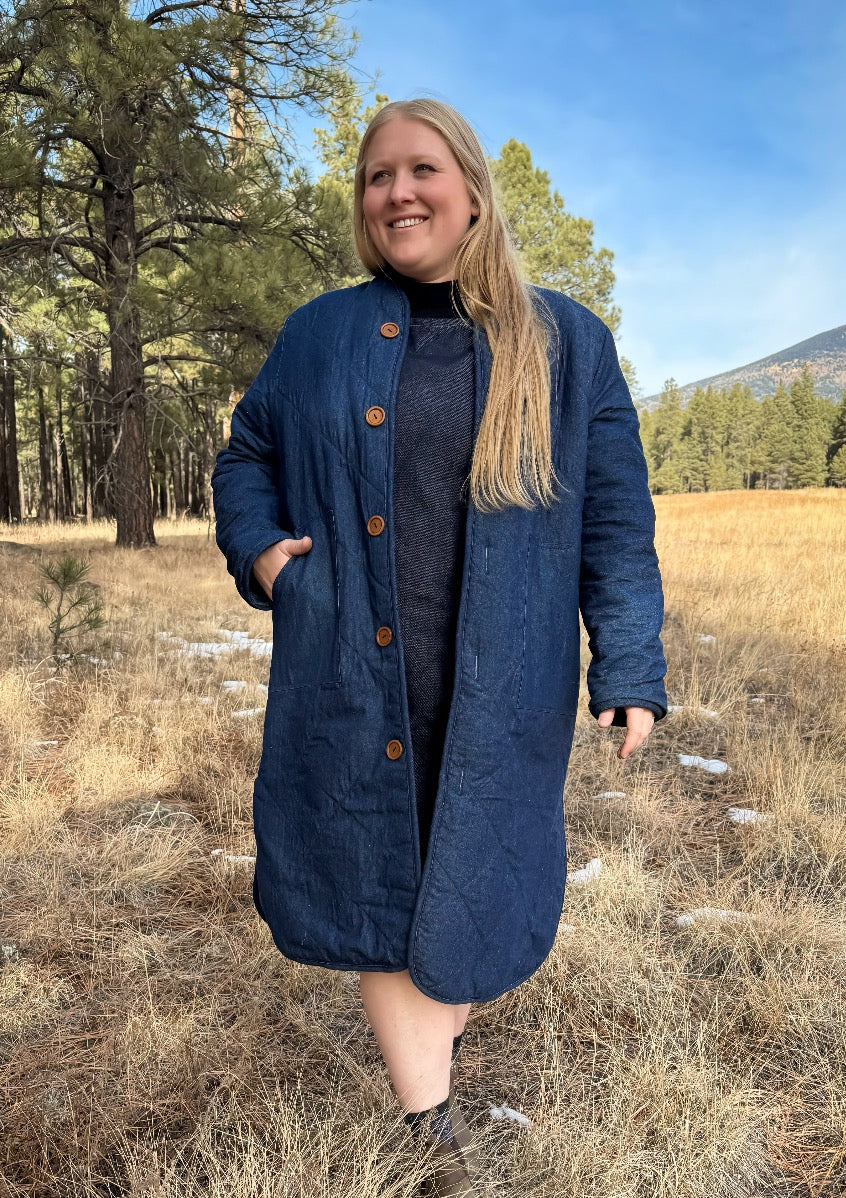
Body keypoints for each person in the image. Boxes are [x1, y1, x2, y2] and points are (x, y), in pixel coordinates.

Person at [211, 97, 668, 1197]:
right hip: (351, 667)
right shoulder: (319, 334)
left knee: (464, 874)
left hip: (503, 682)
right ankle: (431, 1133)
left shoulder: (565, 341)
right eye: (377, 177)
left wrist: (630, 664)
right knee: (379, 875)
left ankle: (433, 1036)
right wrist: (268, 556)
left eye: (421, 170)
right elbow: (246, 455)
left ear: (470, 189)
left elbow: (615, 520)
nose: (398, 192)